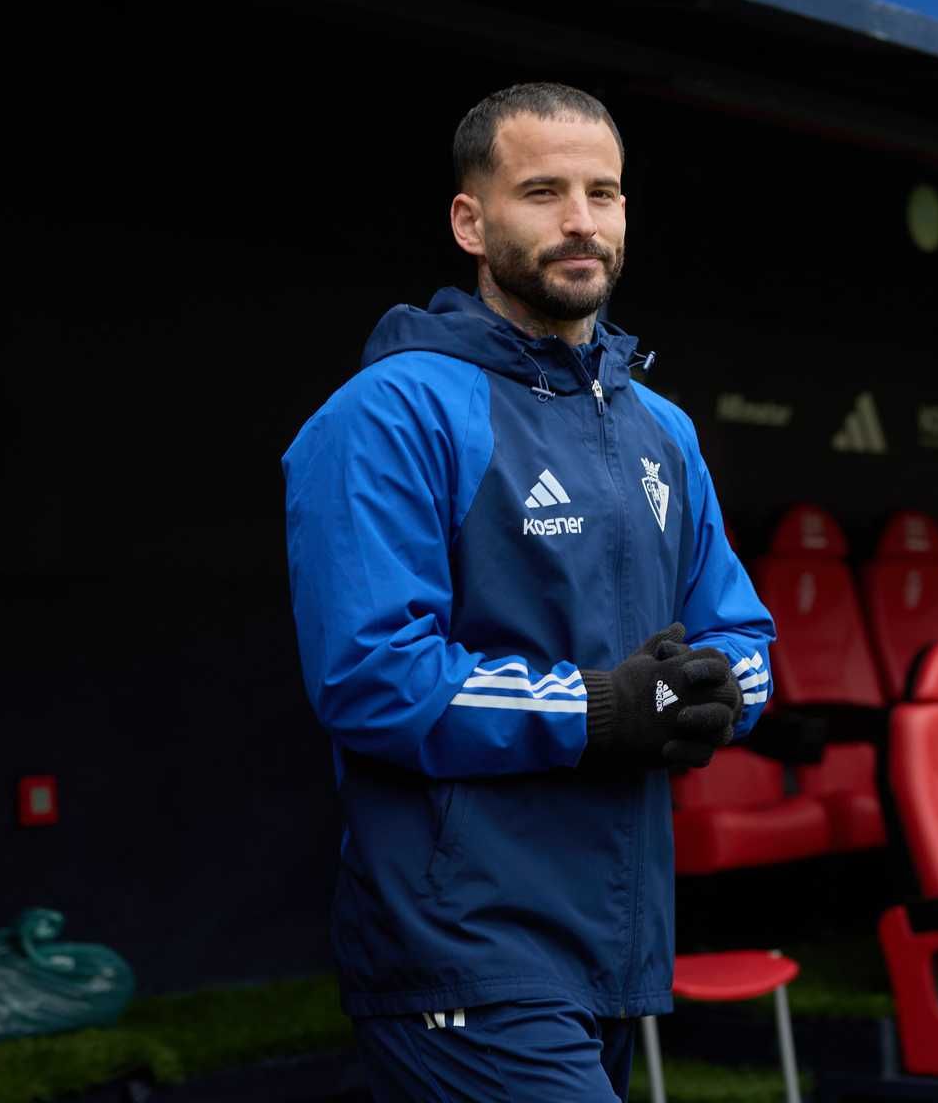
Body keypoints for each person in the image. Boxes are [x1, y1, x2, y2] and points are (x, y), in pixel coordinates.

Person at [282, 82, 775, 1102]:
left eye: (605, 192)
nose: (581, 220)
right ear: (471, 220)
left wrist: (719, 690)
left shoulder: (663, 428)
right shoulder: (390, 412)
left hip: (612, 935)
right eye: (543, 191)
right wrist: (602, 709)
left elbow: (740, 630)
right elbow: (377, 677)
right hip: (459, 942)